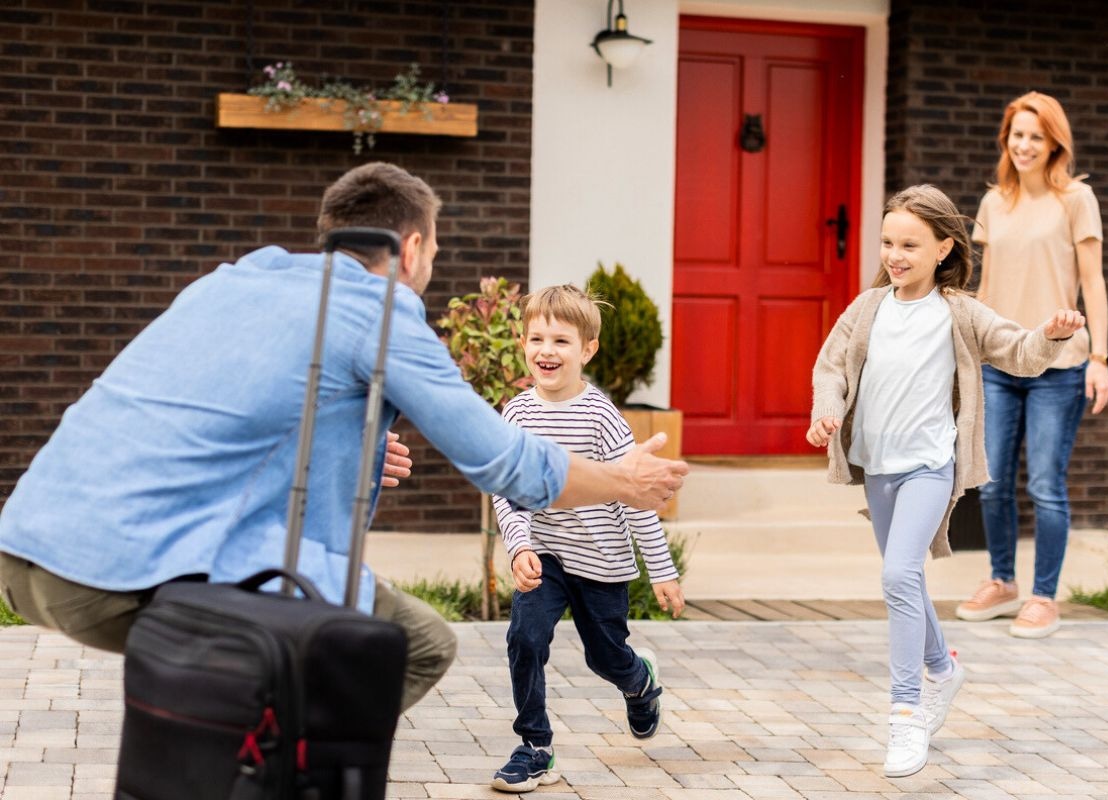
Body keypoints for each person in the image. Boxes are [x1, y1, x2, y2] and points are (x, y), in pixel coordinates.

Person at [0, 162, 687, 715]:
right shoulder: (379, 313)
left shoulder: (232, 283)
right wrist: (623, 481)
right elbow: (505, 461)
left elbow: (224, 417)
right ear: (411, 249)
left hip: (28, 549)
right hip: (121, 573)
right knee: (409, 643)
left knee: (273, 672)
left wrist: (349, 452)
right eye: (433, 251)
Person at [807, 184, 1085, 778]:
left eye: (909, 244)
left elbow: (1019, 351)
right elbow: (829, 368)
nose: (895, 255)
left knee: (897, 575)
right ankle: (944, 668)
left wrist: (1052, 335)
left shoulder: (959, 311)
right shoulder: (867, 309)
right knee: (904, 579)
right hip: (876, 466)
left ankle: (906, 713)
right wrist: (826, 411)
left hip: (929, 466)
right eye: (888, 242)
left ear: (943, 248)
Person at [488, 285, 686, 794]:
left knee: (605, 656)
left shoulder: (600, 416)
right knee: (525, 638)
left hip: (601, 560)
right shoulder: (517, 414)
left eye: (561, 341)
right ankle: (535, 747)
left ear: (587, 350)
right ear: (523, 343)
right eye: (537, 338)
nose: (546, 351)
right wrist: (520, 545)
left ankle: (638, 681)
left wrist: (661, 569)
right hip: (545, 554)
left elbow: (635, 493)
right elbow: (506, 492)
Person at [955, 91, 1108, 639]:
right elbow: (985, 287)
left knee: (1045, 484)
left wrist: (1099, 357)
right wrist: (969, 351)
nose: (1024, 145)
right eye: (1017, 135)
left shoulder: (1076, 200)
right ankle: (1002, 582)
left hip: (1060, 364)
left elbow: (1092, 282)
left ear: (1054, 144)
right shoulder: (993, 202)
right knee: (992, 482)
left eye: (1035, 137)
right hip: (1001, 362)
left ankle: (1044, 597)